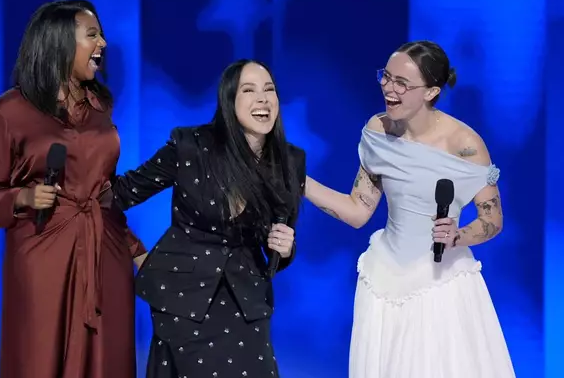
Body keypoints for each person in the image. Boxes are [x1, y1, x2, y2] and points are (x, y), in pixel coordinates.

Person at [305, 41, 515, 377]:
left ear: (431, 91)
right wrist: (300, 182)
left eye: (402, 83)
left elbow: (492, 219)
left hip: (439, 285)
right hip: (382, 281)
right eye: (386, 77)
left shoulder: (464, 145)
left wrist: (457, 236)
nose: (389, 88)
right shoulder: (378, 131)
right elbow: (359, 210)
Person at [0, 0, 146, 378]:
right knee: (38, 358)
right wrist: (23, 197)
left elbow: (105, 191)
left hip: (105, 256)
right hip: (43, 257)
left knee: (108, 360)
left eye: (102, 34)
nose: (104, 44)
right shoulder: (9, 112)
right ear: (59, 43)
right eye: (93, 35)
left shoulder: (100, 107)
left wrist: (135, 250)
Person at [111, 59, 306, 378]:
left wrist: (285, 249)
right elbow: (120, 195)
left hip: (246, 303)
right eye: (250, 90)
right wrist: (135, 250)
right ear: (229, 100)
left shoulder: (290, 161)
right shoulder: (190, 146)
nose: (263, 99)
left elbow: (277, 248)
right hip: (183, 301)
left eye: (269, 90)